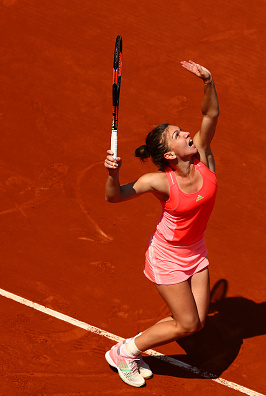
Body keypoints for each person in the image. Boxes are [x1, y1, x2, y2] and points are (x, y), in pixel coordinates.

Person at [103, 60, 219, 387]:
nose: (186, 133)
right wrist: (112, 174)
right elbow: (115, 197)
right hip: (167, 256)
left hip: (195, 251)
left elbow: (210, 115)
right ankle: (124, 351)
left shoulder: (204, 156)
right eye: (178, 135)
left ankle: (133, 347)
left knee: (196, 324)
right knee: (185, 324)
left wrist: (208, 82)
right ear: (169, 154)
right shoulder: (159, 182)